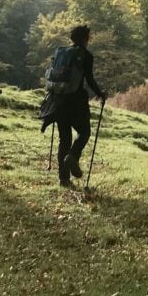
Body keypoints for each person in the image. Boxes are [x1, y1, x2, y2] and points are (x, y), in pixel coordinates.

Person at [50, 25, 108, 187]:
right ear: (85, 38)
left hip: (58, 99)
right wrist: (100, 93)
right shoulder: (86, 55)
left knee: (64, 139)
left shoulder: (61, 53)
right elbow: (89, 79)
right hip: (77, 101)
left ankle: (63, 178)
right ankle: (73, 156)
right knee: (84, 132)